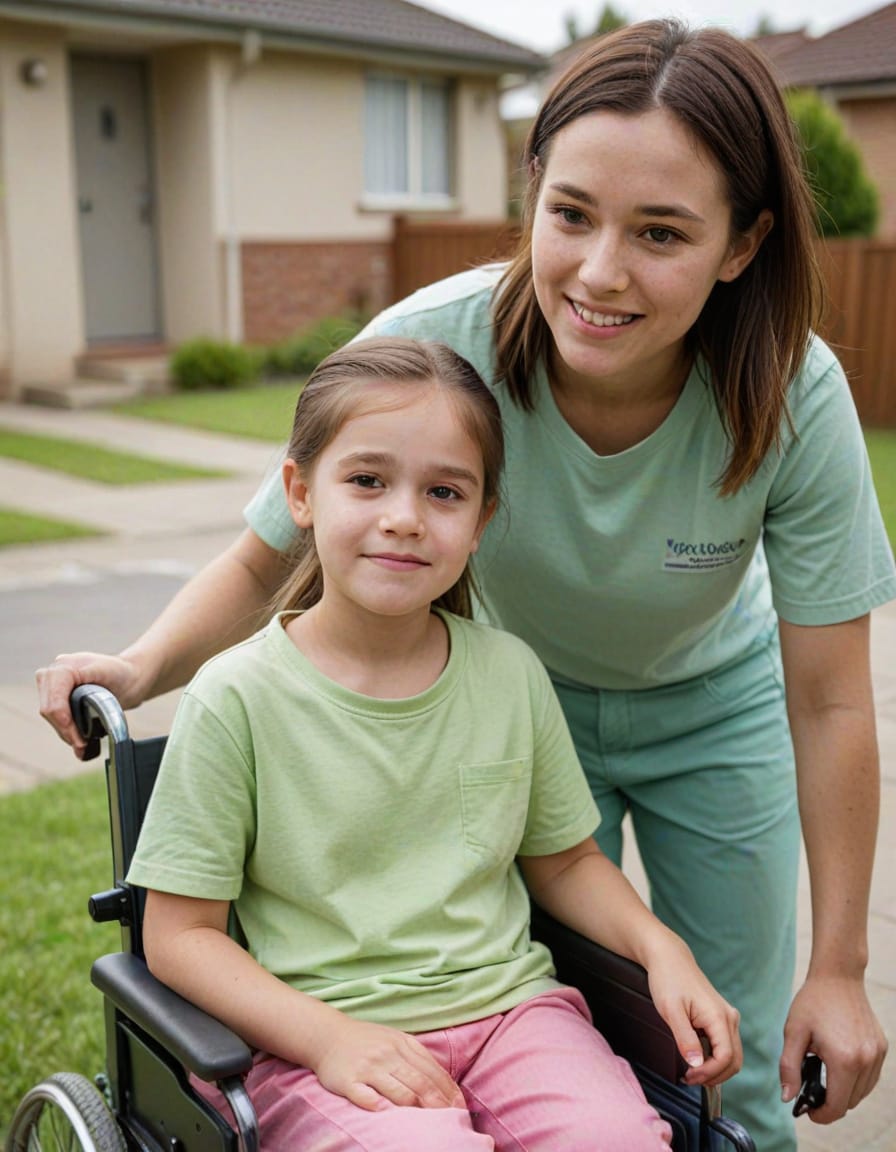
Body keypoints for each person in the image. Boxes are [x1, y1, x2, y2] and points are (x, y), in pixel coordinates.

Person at [37, 19, 892, 1151]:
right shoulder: (434, 353)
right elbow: (264, 555)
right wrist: (140, 667)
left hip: (703, 704)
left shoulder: (790, 395)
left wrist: (836, 967)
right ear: (530, 192)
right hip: (501, 707)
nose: (599, 270)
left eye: (661, 232)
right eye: (570, 213)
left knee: (716, 1073)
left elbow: (830, 699)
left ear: (740, 245)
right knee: (484, 1021)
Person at [126, 336, 742, 1151]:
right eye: (368, 481)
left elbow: (562, 861)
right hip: (317, 1043)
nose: (405, 518)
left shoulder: (509, 674)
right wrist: (327, 1039)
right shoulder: (237, 697)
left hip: (514, 1019)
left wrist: (663, 949)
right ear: (300, 493)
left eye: (444, 492)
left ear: (481, 521)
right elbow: (180, 936)